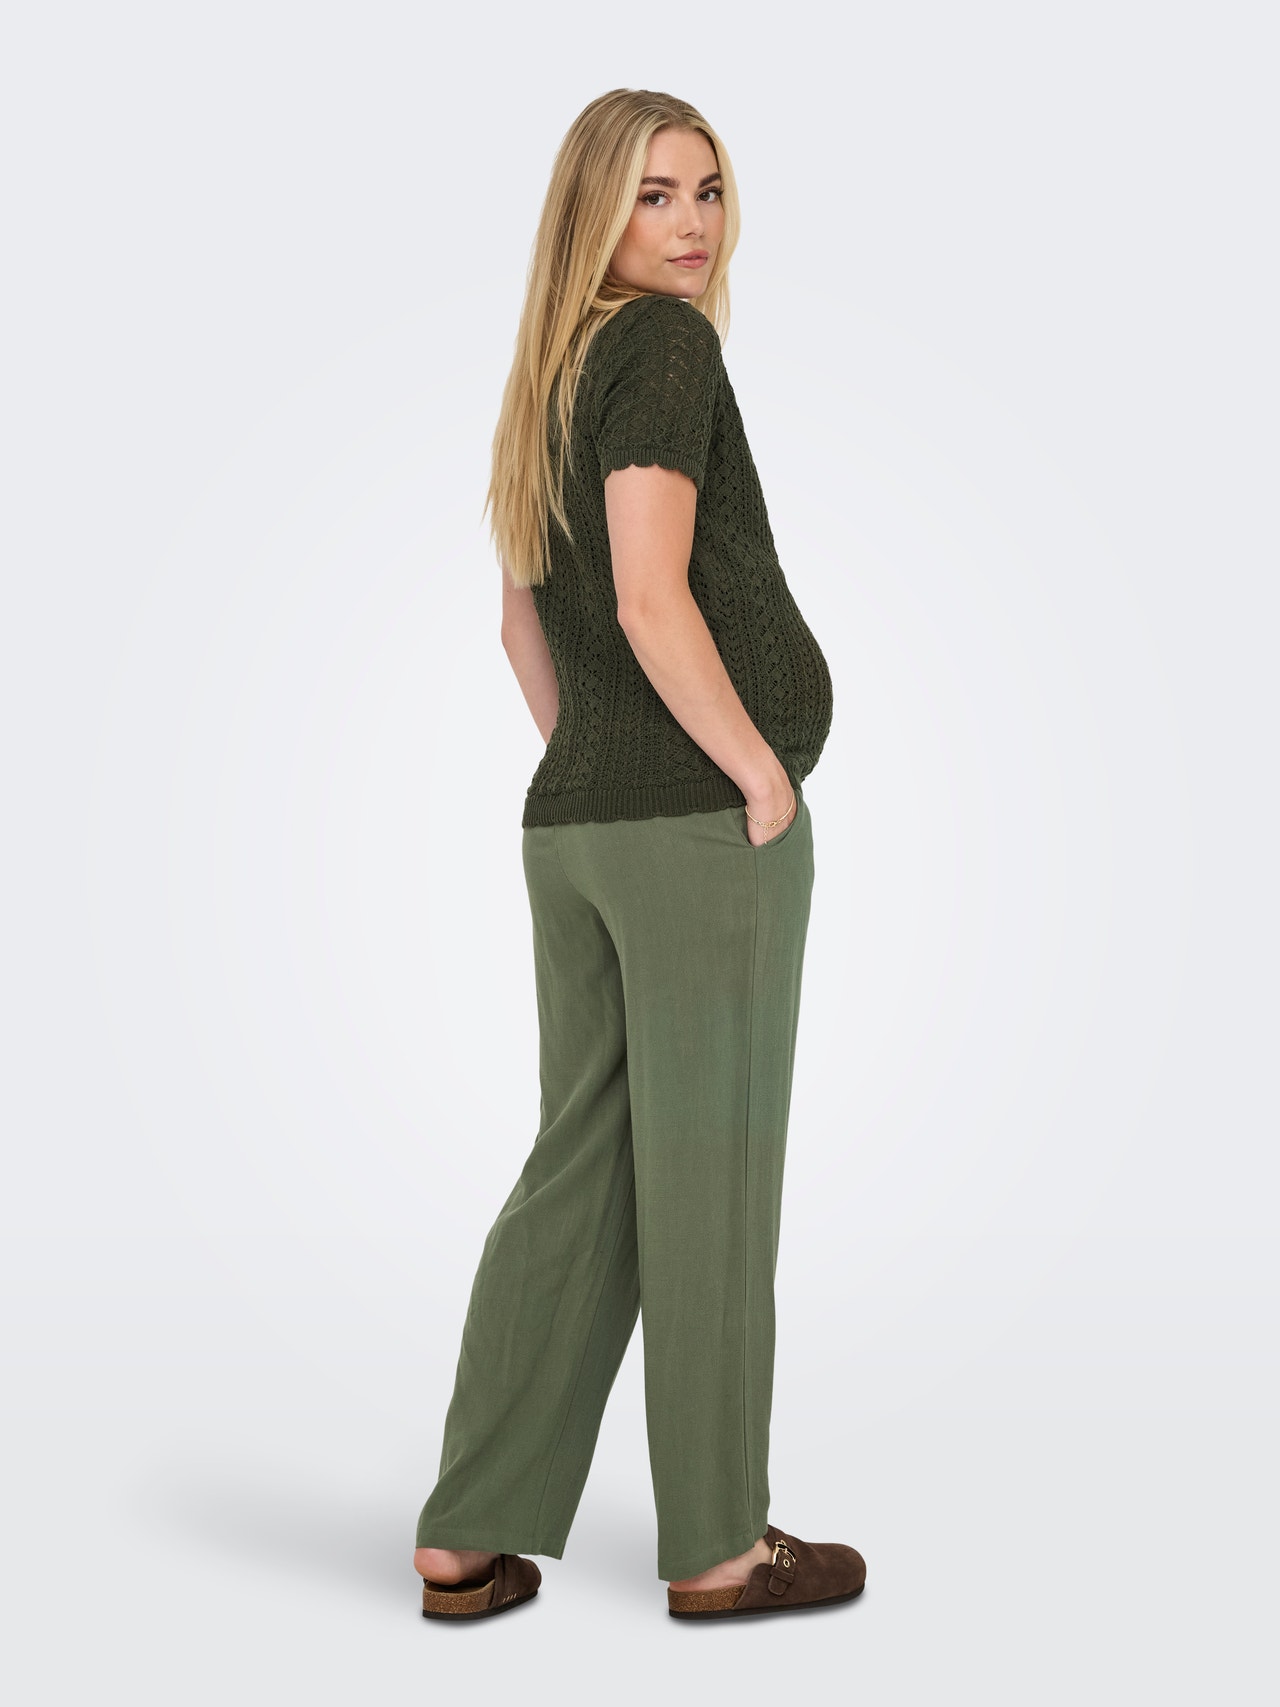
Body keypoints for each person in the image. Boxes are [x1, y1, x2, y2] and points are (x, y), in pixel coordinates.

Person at [412, 88, 867, 1623]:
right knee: (709, 1176)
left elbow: (521, 624)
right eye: (654, 194)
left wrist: (598, 767)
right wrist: (755, 772)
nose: (690, 225)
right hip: (692, 833)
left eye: (708, 191)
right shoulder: (664, 348)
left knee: (585, 1172)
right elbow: (647, 595)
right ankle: (720, 1548)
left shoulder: (546, 371)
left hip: (580, 831)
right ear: (593, 211)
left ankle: (467, 1531)